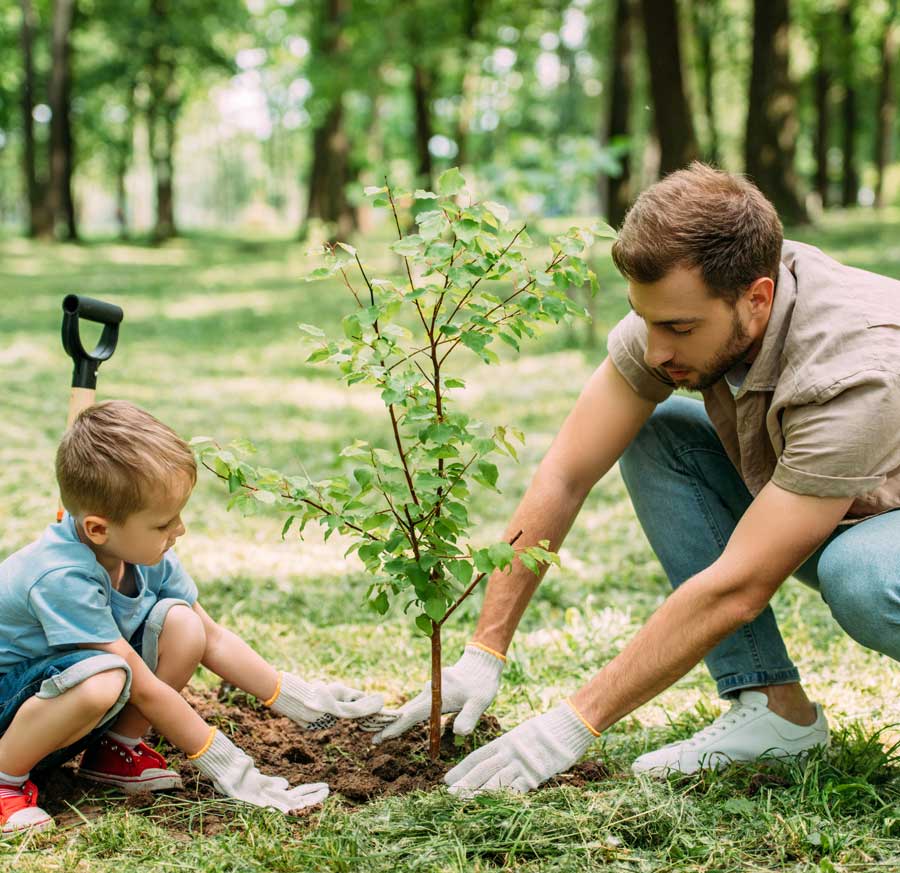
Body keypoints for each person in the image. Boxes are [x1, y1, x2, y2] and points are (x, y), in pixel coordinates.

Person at [374, 163, 900, 795]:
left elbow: (739, 588)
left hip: (878, 531)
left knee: (864, 578)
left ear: (757, 299)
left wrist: (569, 726)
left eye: (678, 329)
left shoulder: (855, 366)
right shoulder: (686, 309)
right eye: (646, 320)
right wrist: (483, 652)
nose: (654, 350)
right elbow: (567, 472)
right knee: (661, 431)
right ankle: (773, 712)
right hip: (841, 502)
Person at [0, 400, 388, 833]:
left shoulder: (140, 551)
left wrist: (301, 700)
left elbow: (212, 637)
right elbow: (143, 688)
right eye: (165, 522)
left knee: (183, 625)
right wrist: (231, 767)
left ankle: (115, 751)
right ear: (98, 529)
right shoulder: (61, 576)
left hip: (52, 699)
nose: (179, 530)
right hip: (9, 706)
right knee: (104, 679)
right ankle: (4, 780)